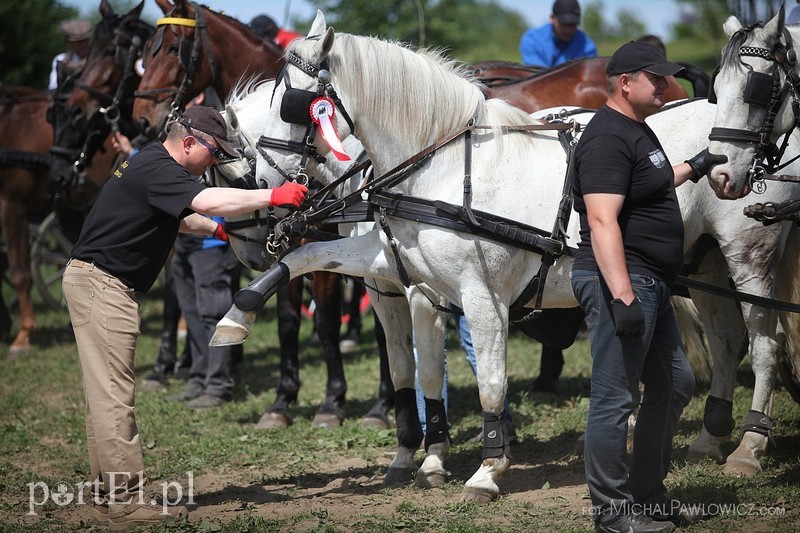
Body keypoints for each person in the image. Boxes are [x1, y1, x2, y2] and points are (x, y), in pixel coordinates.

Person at [62, 105, 308, 528]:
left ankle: (106, 494)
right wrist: (272, 196)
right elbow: (207, 200)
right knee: (114, 395)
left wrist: (215, 231)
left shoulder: (152, 163)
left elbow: (184, 213)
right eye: (213, 153)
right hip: (103, 285)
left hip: (96, 282)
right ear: (189, 141)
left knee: (103, 396)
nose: (215, 161)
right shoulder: (160, 168)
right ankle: (126, 501)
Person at [570, 41, 725, 533]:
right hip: (626, 280)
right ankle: (612, 515)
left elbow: (649, 185)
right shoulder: (606, 139)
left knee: (675, 383)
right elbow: (601, 218)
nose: (664, 86)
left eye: (665, 78)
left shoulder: (639, 131)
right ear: (625, 83)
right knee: (615, 397)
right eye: (655, 79)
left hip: (652, 281)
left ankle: (648, 497)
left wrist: (695, 166)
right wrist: (622, 295)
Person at [519, 0, 597, 68]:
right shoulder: (532, 40)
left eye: (572, 24)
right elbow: (538, 76)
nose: (568, 30)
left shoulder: (587, 47)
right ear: (552, 18)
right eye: (564, 24)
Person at [49, 19, 92, 90]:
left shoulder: (99, 60)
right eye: (77, 42)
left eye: (85, 40)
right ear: (68, 42)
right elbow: (54, 87)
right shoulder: (61, 59)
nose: (82, 45)